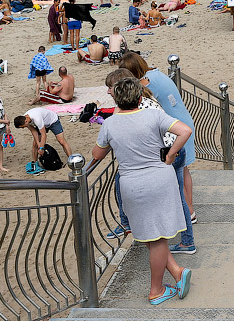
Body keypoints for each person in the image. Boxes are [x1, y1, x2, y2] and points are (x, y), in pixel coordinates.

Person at [90, 77, 192, 304]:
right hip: (160, 178)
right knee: (156, 236)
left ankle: (161, 286)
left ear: (117, 99)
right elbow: (185, 131)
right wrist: (171, 154)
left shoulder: (110, 124)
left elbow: (97, 154)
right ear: (139, 98)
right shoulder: (153, 115)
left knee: (151, 235)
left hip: (132, 184)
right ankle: (167, 281)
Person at [120, 53, 199, 232]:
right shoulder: (156, 74)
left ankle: (187, 213)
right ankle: (190, 210)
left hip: (176, 130)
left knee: (178, 175)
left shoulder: (145, 86)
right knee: (184, 170)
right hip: (183, 122)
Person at [14, 107, 73, 175]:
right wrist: (38, 144)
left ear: (26, 121)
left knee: (61, 141)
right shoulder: (24, 119)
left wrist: (41, 148)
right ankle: (35, 163)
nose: (23, 128)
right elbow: (34, 132)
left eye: (23, 126)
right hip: (42, 124)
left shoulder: (36, 118)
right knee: (35, 144)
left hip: (53, 121)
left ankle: (71, 159)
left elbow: (44, 135)